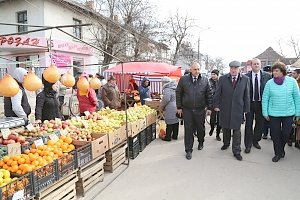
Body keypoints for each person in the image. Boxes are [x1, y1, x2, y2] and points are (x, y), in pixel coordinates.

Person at [262, 62, 300, 162]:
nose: (274, 72)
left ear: (283, 71)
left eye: (276, 70)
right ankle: (278, 153)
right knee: (275, 134)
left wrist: (298, 112)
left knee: (286, 134)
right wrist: (265, 112)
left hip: (289, 113)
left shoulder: (292, 81)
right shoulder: (269, 83)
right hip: (274, 113)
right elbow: (265, 98)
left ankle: (280, 149)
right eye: (273, 71)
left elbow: (297, 97)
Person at [213, 61, 250, 161]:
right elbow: (218, 93)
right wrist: (216, 105)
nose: (233, 70)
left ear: (239, 69)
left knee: (237, 130)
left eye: (235, 68)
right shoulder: (223, 79)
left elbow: (246, 95)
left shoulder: (245, 79)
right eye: (231, 68)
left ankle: (236, 151)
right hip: (225, 108)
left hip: (238, 109)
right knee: (225, 128)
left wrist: (246, 109)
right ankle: (226, 143)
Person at [176, 62, 213, 160]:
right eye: (195, 69)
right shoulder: (183, 79)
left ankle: (201, 141)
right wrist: (179, 107)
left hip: (200, 109)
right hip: (187, 109)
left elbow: (209, 94)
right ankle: (188, 149)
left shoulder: (205, 80)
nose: (197, 71)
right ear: (190, 70)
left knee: (200, 128)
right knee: (188, 129)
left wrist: (209, 108)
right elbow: (178, 93)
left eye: (198, 69)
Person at [244, 58, 272, 153]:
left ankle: (256, 141)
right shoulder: (245, 77)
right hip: (249, 103)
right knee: (248, 124)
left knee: (260, 124)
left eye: (258, 64)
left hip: (261, 104)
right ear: (251, 65)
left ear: (260, 65)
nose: (256, 65)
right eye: (254, 64)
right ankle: (248, 144)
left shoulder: (267, 76)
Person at [160, 77, 179, 141]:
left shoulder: (167, 89)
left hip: (170, 107)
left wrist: (162, 106)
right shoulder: (175, 87)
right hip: (176, 106)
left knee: (169, 122)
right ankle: (175, 135)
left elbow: (166, 99)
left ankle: (168, 137)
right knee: (175, 121)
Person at [208, 69, 221, 141]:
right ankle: (212, 128)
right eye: (212, 74)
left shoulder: (221, 82)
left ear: (217, 75)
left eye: (214, 74)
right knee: (212, 119)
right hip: (212, 103)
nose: (213, 75)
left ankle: (218, 134)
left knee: (219, 121)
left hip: (219, 104)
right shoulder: (208, 82)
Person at [262, 65, 272, 139]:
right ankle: (265, 133)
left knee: (272, 119)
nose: (268, 73)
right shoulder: (262, 77)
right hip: (264, 100)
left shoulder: (272, 79)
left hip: (271, 101)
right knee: (265, 118)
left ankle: (272, 134)